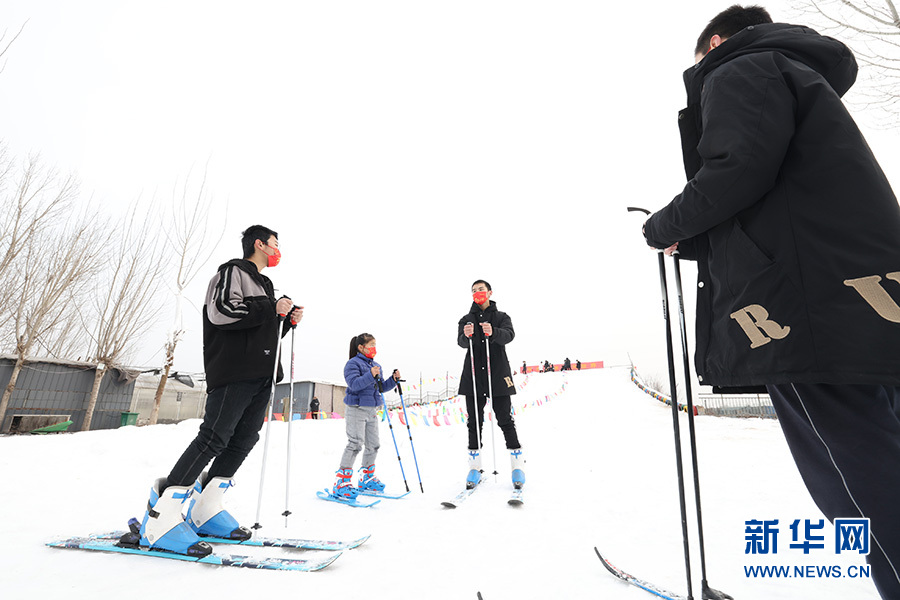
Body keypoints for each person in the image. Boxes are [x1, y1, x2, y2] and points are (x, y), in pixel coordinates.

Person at [642, 6, 900, 597]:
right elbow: (780, 196)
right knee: (882, 455)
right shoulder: (800, 75)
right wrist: (697, 235)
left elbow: (738, 169)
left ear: (713, 43)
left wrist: (664, 225)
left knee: (859, 485)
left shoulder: (740, 68)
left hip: (806, 314)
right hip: (863, 300)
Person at [137, 225, 303, 557]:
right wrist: (272, 309)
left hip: (260, 374)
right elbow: (223, 312)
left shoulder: (265, 285)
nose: (278, 249)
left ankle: (206, 508)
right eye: (275, 244)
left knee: (244, 438)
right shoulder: (232, 272)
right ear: (259, 244)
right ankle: (161, 517)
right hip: (234, 372)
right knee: (214, 436)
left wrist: (285, 322)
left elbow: (257, 333)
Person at [457, 280, 524, 490]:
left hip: (497, 374)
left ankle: (517, 467)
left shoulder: (502, 317)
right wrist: (466, 335)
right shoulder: (466, 319)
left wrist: (493, 332)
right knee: (474, 422)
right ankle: (474, 467)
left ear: (489, 292)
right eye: (474, 291)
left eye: (481, 290)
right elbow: (460, 342)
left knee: (505, 418)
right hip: (474, 375)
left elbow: (509, 335)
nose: (478, 293)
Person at [331, 333, 401, 499]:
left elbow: (381, 387)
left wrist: (393, 380)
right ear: (361, 347)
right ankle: (342, 481)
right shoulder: (352, 364)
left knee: (374, 445)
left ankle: (366, 477)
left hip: (371, 409)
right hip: (356, 408)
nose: (374, 349)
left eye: (375, 345)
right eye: (371, 345)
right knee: (355, 443)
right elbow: (354, 385)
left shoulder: (376, 365)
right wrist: (370, 375)